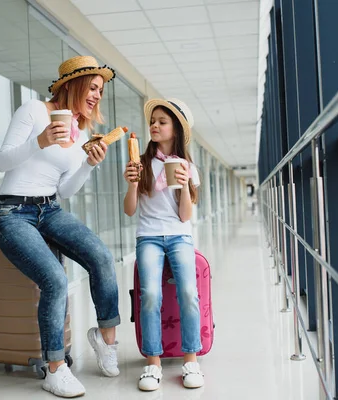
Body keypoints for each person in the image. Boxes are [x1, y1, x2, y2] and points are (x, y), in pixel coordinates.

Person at [0, 56, 120, 398]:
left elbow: (64, 189)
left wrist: (88, 166)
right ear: (72, 84)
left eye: (101, 91)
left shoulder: (81, 133)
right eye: (92, 87)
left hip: (50, 208)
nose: (96, 96)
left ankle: (107, 340)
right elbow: (2, 161)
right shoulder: (33, 110)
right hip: (12, 212)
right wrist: (41, 140)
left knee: (101, 256)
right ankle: (55, 368)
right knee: (55, 278)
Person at [123, 98, 205, 391]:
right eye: (153, 121)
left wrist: (184, 185)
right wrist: (132, 184)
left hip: (179, 235)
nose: (154, 126)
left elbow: (185, 215)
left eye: (162, 121)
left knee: (188, 291)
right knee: (150, 295)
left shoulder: (188, 167)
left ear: (176, 130)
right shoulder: (140, 163)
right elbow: (130, 210)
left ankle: (190, 359)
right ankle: (153, 363)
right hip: (148, 237)